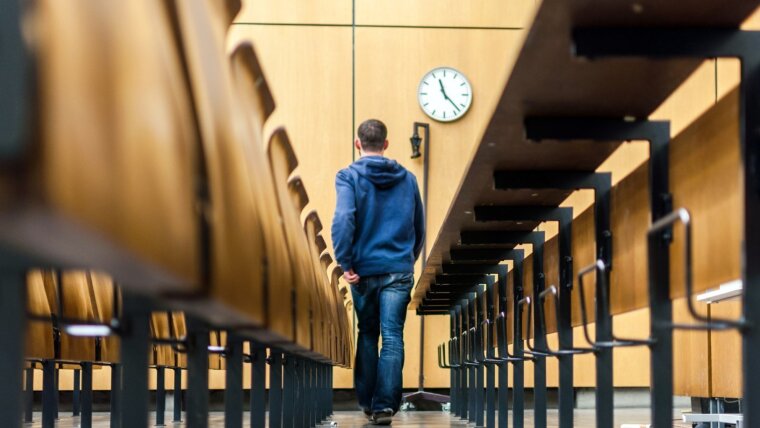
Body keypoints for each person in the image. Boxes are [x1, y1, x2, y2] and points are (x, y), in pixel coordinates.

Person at [331, 119, 425, 425]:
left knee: (368, 334)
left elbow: (344, 219)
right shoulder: (409, 179)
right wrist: (406, 261)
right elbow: (418, 226)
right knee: (394, 337)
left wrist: (346, 263)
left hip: (364, 270)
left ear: (358, 143)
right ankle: (385, 406)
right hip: (398, 268)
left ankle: (369, 403)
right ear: (386, 144)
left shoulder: (348, 176)